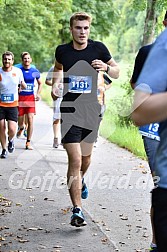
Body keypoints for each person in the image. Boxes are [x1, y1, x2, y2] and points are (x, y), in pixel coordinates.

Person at [51, 12, 119, 227]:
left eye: (86, 28)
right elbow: (57, 70)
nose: (82, 32)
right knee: (76, 160)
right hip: (70, 110)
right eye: (78, 28)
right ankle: (77, 210)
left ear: (89, 29)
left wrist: (106, 67)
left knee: (86, 159)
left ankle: (81, 180)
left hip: (91, 110)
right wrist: (55, 86)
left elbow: (116, 72)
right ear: (71, 29)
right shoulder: (62, 51)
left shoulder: (98, 49)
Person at [130, 13, 167, 251]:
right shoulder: (151, 51)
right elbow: (137, 88)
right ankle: (157, 240)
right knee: (159, 178)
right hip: (154, 128)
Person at [0, 51, 26, 158]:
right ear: (2, 60)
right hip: (0, 104)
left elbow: (22, 84)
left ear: (12, 61)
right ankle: (4, 149)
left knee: (12, 129)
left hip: (13, 104)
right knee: (1, 127)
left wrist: (22, 88)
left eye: (9, 59)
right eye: (5, 59)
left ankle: (11, 140)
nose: (7, 61)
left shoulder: (18, 71)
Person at [16, 52, 42, 150]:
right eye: (24, 59)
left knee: (30, 119)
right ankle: (21, 127)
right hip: (20, 98)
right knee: (20, 120)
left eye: (28, 58)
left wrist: (38, 93)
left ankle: (28, 142)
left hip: (30, 97)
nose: (26, 60)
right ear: (22, 60)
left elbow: (40, 83)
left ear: (30, 60)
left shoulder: (34, 71)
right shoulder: (18, 71)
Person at [45, 66, 62, 148]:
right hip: (58, 96)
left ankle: (64, 139)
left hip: (69, 96)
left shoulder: (72, 67)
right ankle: (56, 138)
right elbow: (47, 81)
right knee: (57, 118)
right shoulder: (53, 68)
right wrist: (55, 85)